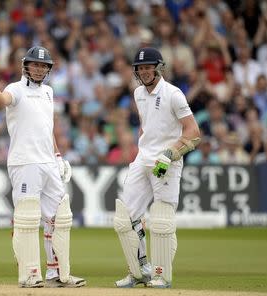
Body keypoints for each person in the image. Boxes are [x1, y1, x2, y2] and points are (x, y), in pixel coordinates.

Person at [0, 46, 86, 288]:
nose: (38, 69)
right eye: (34, 64)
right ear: (25, 66)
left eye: (43, 65)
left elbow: (47, 128)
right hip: (25, 162)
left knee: (59, 218)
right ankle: (29, 274)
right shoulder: (15, 89)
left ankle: (57, 274)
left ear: (48, 70)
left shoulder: (48, 92)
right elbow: (2, 101)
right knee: (27, 218)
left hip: (48, 162)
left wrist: (57, 155)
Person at [114, 47, 200, 288]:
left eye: (148, 67)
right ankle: (138, 270)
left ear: (158, 68)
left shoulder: (174, 94)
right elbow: (147, 127)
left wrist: (171, 154)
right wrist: (144, 149)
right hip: (143, 158)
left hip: (167, 161)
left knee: (162, 220)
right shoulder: (138, 93)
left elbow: (194, 133)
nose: (144, 71)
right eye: (140, 68)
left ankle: (162, 274)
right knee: (126, 217)